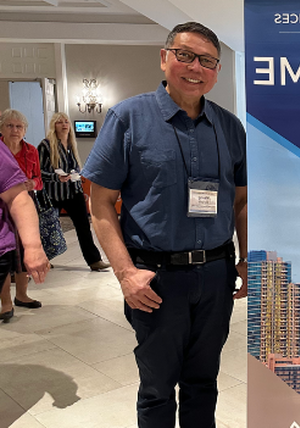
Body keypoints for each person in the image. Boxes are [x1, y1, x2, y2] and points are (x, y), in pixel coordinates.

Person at [81, 21, 247, 428]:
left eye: (208, 61)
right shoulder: (128, 117)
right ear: (164, 57)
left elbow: (241, 200)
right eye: (185, 55)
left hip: (215, 274)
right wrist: (125, 275)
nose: (196, 67)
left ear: (217, 70)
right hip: (154, 278)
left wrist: (247, 258)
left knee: (203, 382)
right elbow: (99, 203)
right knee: (157, 390)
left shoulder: (229, 127)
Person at [38, 112, 110, 271]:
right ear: (54, 126)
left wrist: (77, 174)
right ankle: (43, 260)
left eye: (66, 122)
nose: (64, 125)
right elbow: (39, 172)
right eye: (60, 122)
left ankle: (94, 260)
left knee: (84, 226)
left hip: (73, 192)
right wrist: (56, 178)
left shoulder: (71, 145)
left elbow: (74, 168)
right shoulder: (45, 145)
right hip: (54, 193)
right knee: (47, 227)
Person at [0, 110, 43, 313]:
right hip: (4, 207)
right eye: (10, 126)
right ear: (2, 128)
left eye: (19, 126)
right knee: (6, 253)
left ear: (24, 130)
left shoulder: (31, 150)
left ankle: (22, 295)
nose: (15, 130)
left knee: (23, 252)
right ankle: (5, 302)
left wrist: (31, 183)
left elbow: (39, 180)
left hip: (24, 201)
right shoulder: (1, 150)